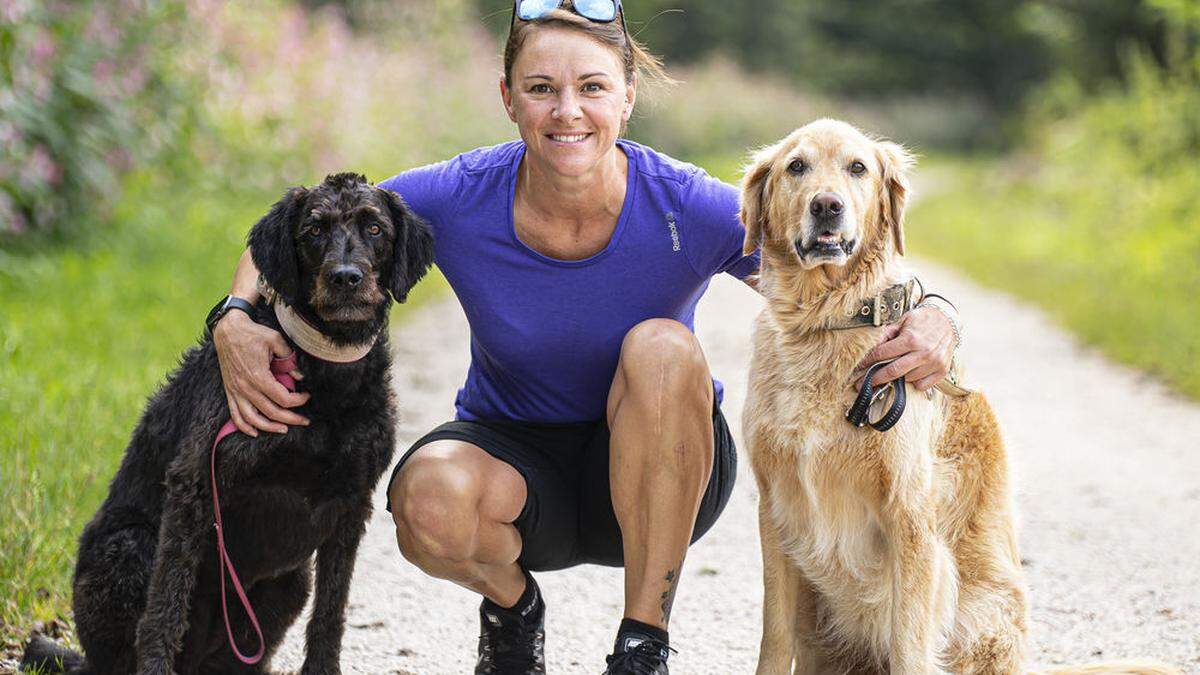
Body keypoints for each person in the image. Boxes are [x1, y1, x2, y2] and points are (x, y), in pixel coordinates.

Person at [211, 1, 960, 672]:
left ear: (627, 99)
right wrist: (235, 317)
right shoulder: (458, 194)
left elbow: (840, 271)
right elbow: (309, 219)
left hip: (663, 462)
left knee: (662, 346)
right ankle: (512, 611)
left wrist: (938, 314)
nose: (568, 111)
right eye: (542, 89)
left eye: (592, 88)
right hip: (516, 460)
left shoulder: (689, 204)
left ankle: (642, 643)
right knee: (426, 500)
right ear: (508, 100)